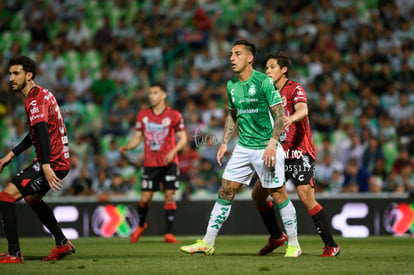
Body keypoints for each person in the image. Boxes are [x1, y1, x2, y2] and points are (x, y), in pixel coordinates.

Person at [180, 40, 297, 256]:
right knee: (225, 190)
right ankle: (207, 242)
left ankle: (294, 245)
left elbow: (281, 115)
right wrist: (224, 141)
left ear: (250, 58)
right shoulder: (231, 85)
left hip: (265, 146)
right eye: (231, 54)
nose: (232, 58)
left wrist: (273, 144)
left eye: (237, 54)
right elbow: (232, 114)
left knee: (278, 194)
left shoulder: (264, 82)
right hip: (243, 147)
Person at [252, 52, 340, 257]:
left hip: (299, 151)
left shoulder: (294, 88)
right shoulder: (266, 93)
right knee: (258, 195)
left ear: (283, 69)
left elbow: (303, 110)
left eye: (271, 67)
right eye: (265, 68)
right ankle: (276, 237)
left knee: (305, 195)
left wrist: (290, 119)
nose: (267, 71)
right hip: (278, 152)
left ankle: (331, 244)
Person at [0, 56, 75, 263]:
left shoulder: (34, 100)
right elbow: (36, 132)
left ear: (29, 75)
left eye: (16, 73)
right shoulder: (40, 95)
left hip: (53, 162)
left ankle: (14, 254)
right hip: (55, 160)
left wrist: (46, 165)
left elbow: (41, 132)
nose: (11, 78)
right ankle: (62, 243)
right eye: (10, 73)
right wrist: (11, 154)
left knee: (5, 197)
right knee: (32, 198)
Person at [119, 84, 187, 244]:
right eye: (150, 93)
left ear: (163, 95)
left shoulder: (174, 115)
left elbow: (183, 138)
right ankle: (141, 225)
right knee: (145, 198)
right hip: (150, 164)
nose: (151, 96)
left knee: (169, 195)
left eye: (155, 93)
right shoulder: (143, 115)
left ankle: (168, 234)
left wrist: (172, 152)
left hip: (169, 162)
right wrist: (128, 146)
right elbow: (137, 137)